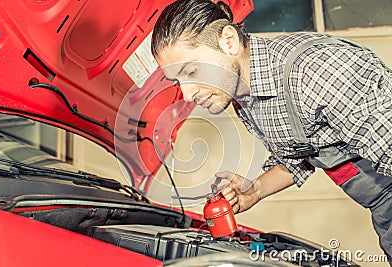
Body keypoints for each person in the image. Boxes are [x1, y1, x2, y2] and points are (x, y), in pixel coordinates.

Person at [151, 0, 392, 262]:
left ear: (229, 41)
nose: (187, 94)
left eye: (192, 71)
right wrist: (256, 190)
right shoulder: (244, 95)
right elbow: (300, 154)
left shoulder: (313, 71)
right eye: (178, 80)